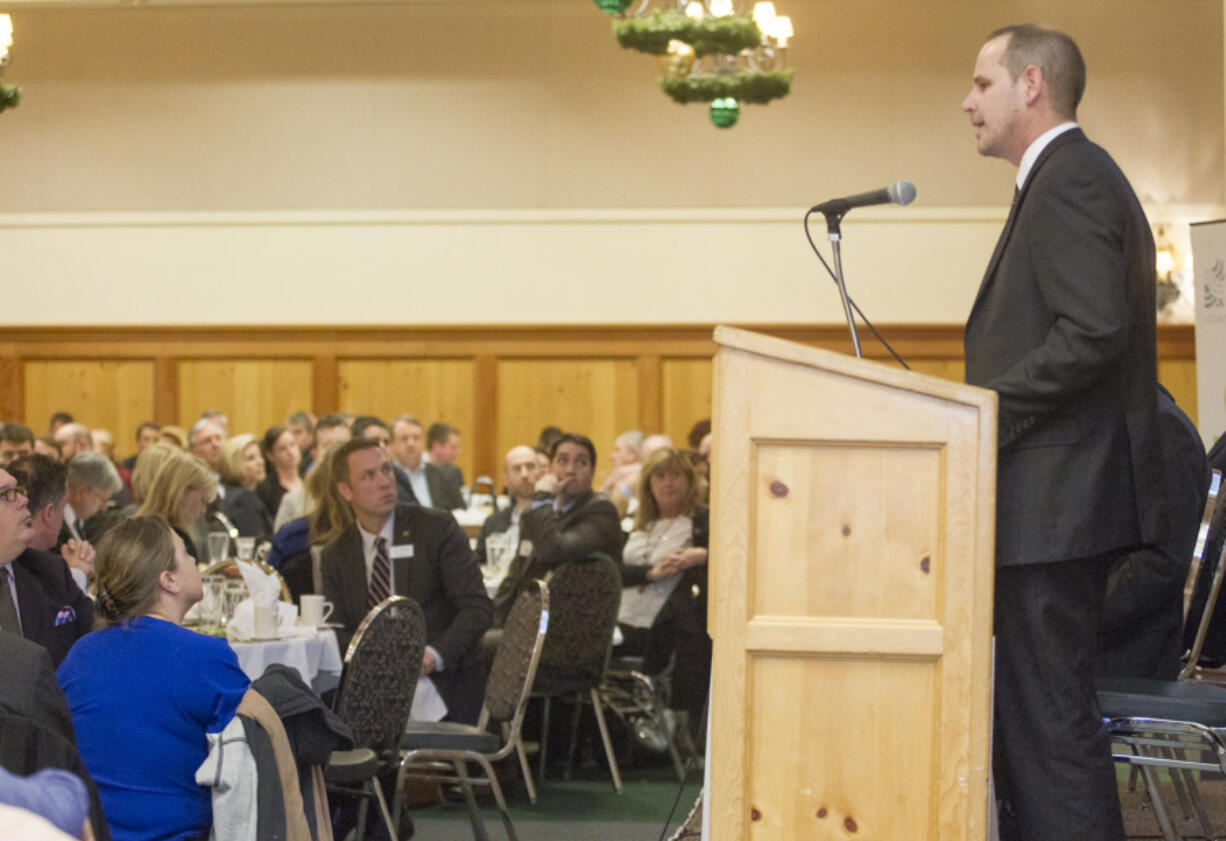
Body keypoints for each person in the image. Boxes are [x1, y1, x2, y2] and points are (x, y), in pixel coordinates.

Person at [960, 24, 1169, 841]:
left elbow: (1090, 330)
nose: (967, 101)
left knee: (1050, 733)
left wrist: (982, 413)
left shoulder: (1072, 178)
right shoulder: (1062, 179)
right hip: (1048, 507)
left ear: (1032, 83)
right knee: (1035, 732)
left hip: (1057, 509)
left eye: (982, 83)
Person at [57, 516, 249, 841]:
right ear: (168, 580)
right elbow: (245, 771)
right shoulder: (207, 657)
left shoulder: (79, 655)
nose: (194, 560)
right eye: (186, 553)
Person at [320, 438, 492, 725]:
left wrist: (431, 656)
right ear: (345, 490)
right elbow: (336, 630)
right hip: (370, 681)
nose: (385, 482)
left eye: (386, 470)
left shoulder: (436, 529)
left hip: (440, 679)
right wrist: (377, 663)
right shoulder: (336, 555)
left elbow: (478, 609)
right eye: (369, 476)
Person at [616, 447, 711, 741]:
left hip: (668, 622)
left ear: (689, 480)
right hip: (623, 612)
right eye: (660, 476)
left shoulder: (702, 521)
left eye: (675, 475)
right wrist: (650, 572)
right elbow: (614, 571)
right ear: (648, 483)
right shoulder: (638, 522)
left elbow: (736, 555)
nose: (668, 483)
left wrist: (703, 555)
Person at [492, 433, 623, 625]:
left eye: (581, 462)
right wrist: (491, 620)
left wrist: (543, 496)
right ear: (551, 469)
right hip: (527, 623)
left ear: (592, 472)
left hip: (568, 629)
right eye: (562, 461)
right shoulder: (538, 511)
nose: (570, 470)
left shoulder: (600, 511)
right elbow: (515, 579)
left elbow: (552, 550)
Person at [0, 468, 94, 667]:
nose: (23, 500)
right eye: (4, 495)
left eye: (18, 491)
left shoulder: (49, 571)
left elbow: (98, 635)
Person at [136, 452, 216, 561]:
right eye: (202, 500)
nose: (203, 510)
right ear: (182, 492)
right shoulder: (177, 541)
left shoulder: (136, 532)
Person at [473, 445, 540, 568]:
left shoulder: (554, 521)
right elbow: (475, 566)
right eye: (517, 469)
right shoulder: (492, 523)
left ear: (540, 473)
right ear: (506, 479)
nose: (525, 474)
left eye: (530, 467)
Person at [388, 415, 464, 511]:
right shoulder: (384, 478)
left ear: (423, 442)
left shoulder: (444, 477)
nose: (411, 443)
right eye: (404, 439)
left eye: (416, 438)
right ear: (391, 444)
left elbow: (461, 514)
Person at [218, 434, 273, 540]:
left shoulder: (236, 494)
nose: (260, 462)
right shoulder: (244, 499)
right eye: (251, 458)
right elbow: (256, 543)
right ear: (233, 463)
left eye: (260, 456)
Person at [254, 425, 302, 521]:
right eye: (282, 449)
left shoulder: (310, 481)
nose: (290, 452)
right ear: (270, 456)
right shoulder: (265, 488)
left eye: (292, 445)